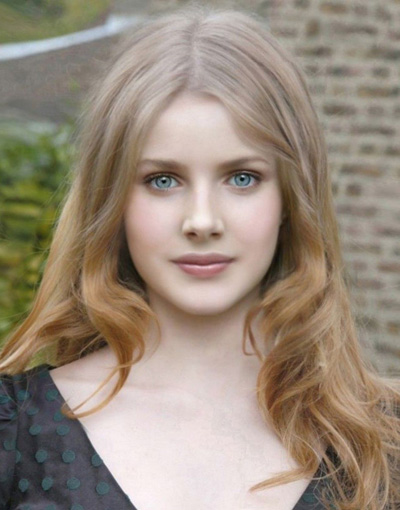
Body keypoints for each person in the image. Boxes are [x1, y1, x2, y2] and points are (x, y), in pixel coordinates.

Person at [0, 4, 399, 510]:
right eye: (163, 180)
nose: (202, 220)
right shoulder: (16, 434)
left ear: (291, 199)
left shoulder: (381, 443)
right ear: (112, 199)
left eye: (242, 178)